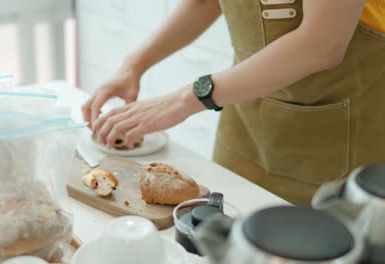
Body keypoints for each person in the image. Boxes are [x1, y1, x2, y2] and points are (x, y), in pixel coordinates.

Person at [82, 0, 385, 205]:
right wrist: (134, 64)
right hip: (246, 120)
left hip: (341, 134)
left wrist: (186, 99)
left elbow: (322, 45)